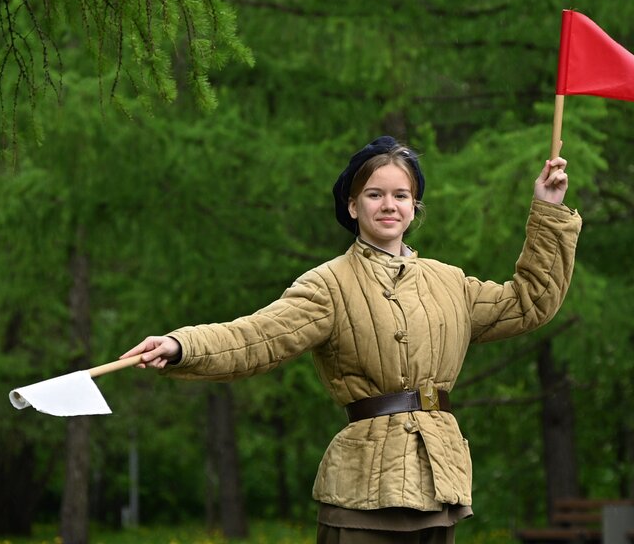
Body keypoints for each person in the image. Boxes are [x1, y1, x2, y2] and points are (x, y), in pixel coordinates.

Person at [120, 136, 582, 543]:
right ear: (352, 205)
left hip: (440, 483)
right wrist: (182, 346)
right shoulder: (329, 285)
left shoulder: (450, 283)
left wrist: (549, 210)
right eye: (375, 194)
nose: (389, 205)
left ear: (415, 207)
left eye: (402, 195)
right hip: (363, 492)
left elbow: (529, 303)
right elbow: (256, 336)